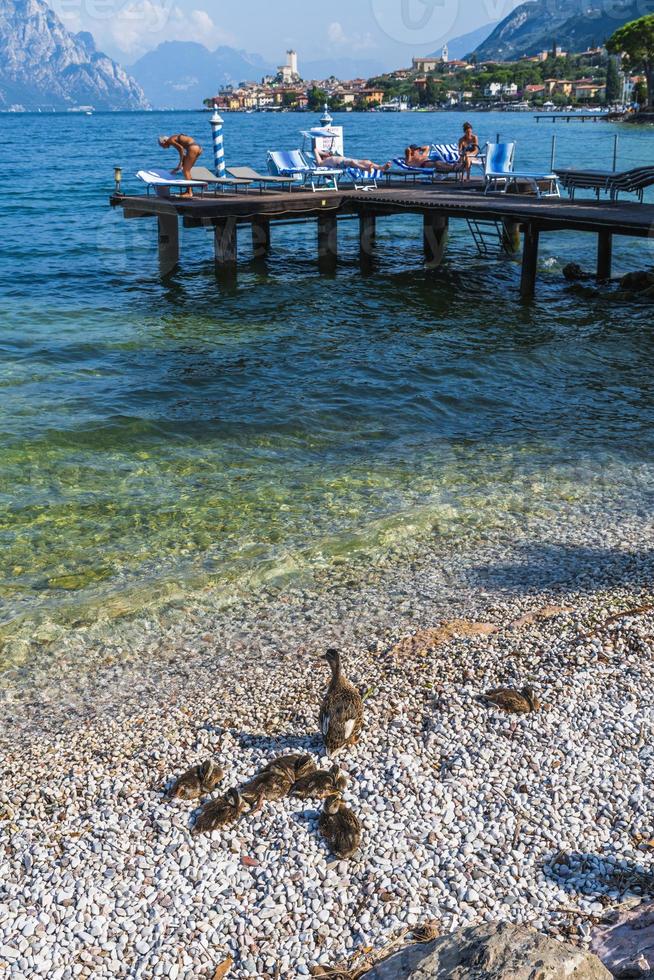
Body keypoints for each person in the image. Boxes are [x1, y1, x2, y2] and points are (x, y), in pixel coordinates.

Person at [314, 147, 391, 173]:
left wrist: (327, 154)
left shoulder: (329, 157)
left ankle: (382, 168)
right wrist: (324, 153)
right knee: (352, 162)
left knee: (366, 161)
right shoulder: (321, 162)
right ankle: (366, 169)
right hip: (341, 164)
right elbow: (315, 150)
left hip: (346, 159)